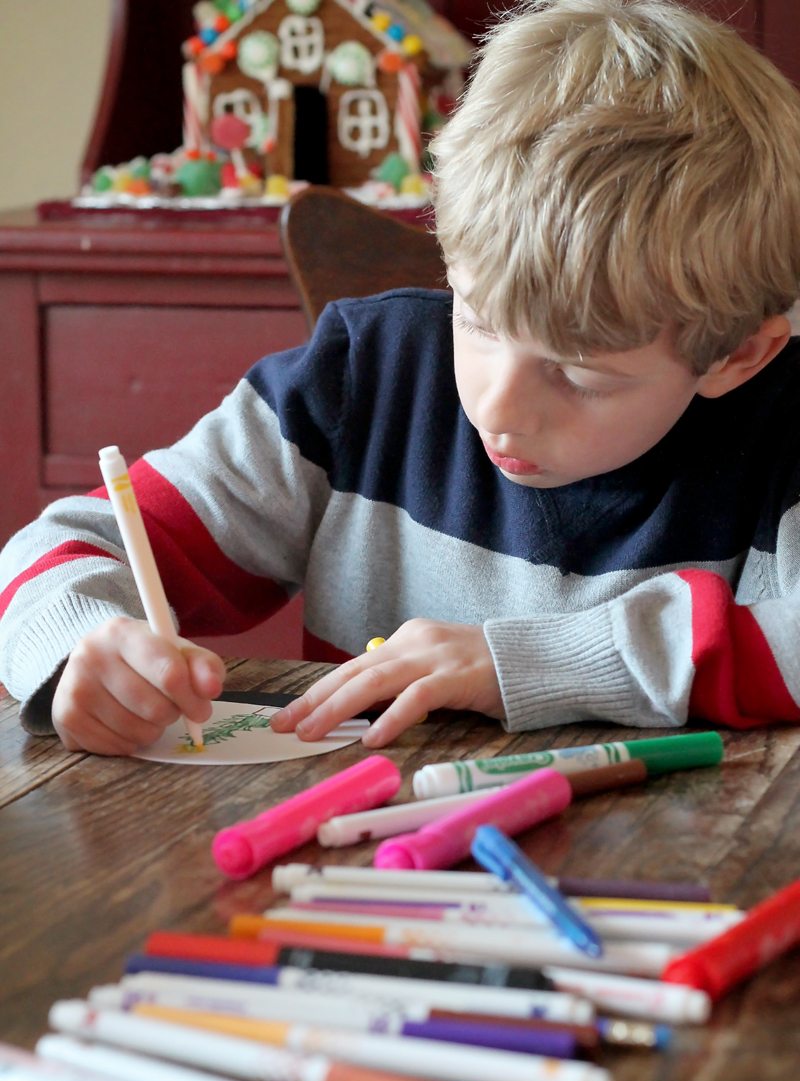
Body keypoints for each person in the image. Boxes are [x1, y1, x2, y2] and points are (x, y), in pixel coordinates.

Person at [2, 0, 800, 757]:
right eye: (479, 322)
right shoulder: (360, 383)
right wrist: (78, 647)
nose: (498, 406)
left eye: (577, 375)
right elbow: (55, 550)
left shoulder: (781, 433)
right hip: (351, 860)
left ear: (738, 357)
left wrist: (519, 662)